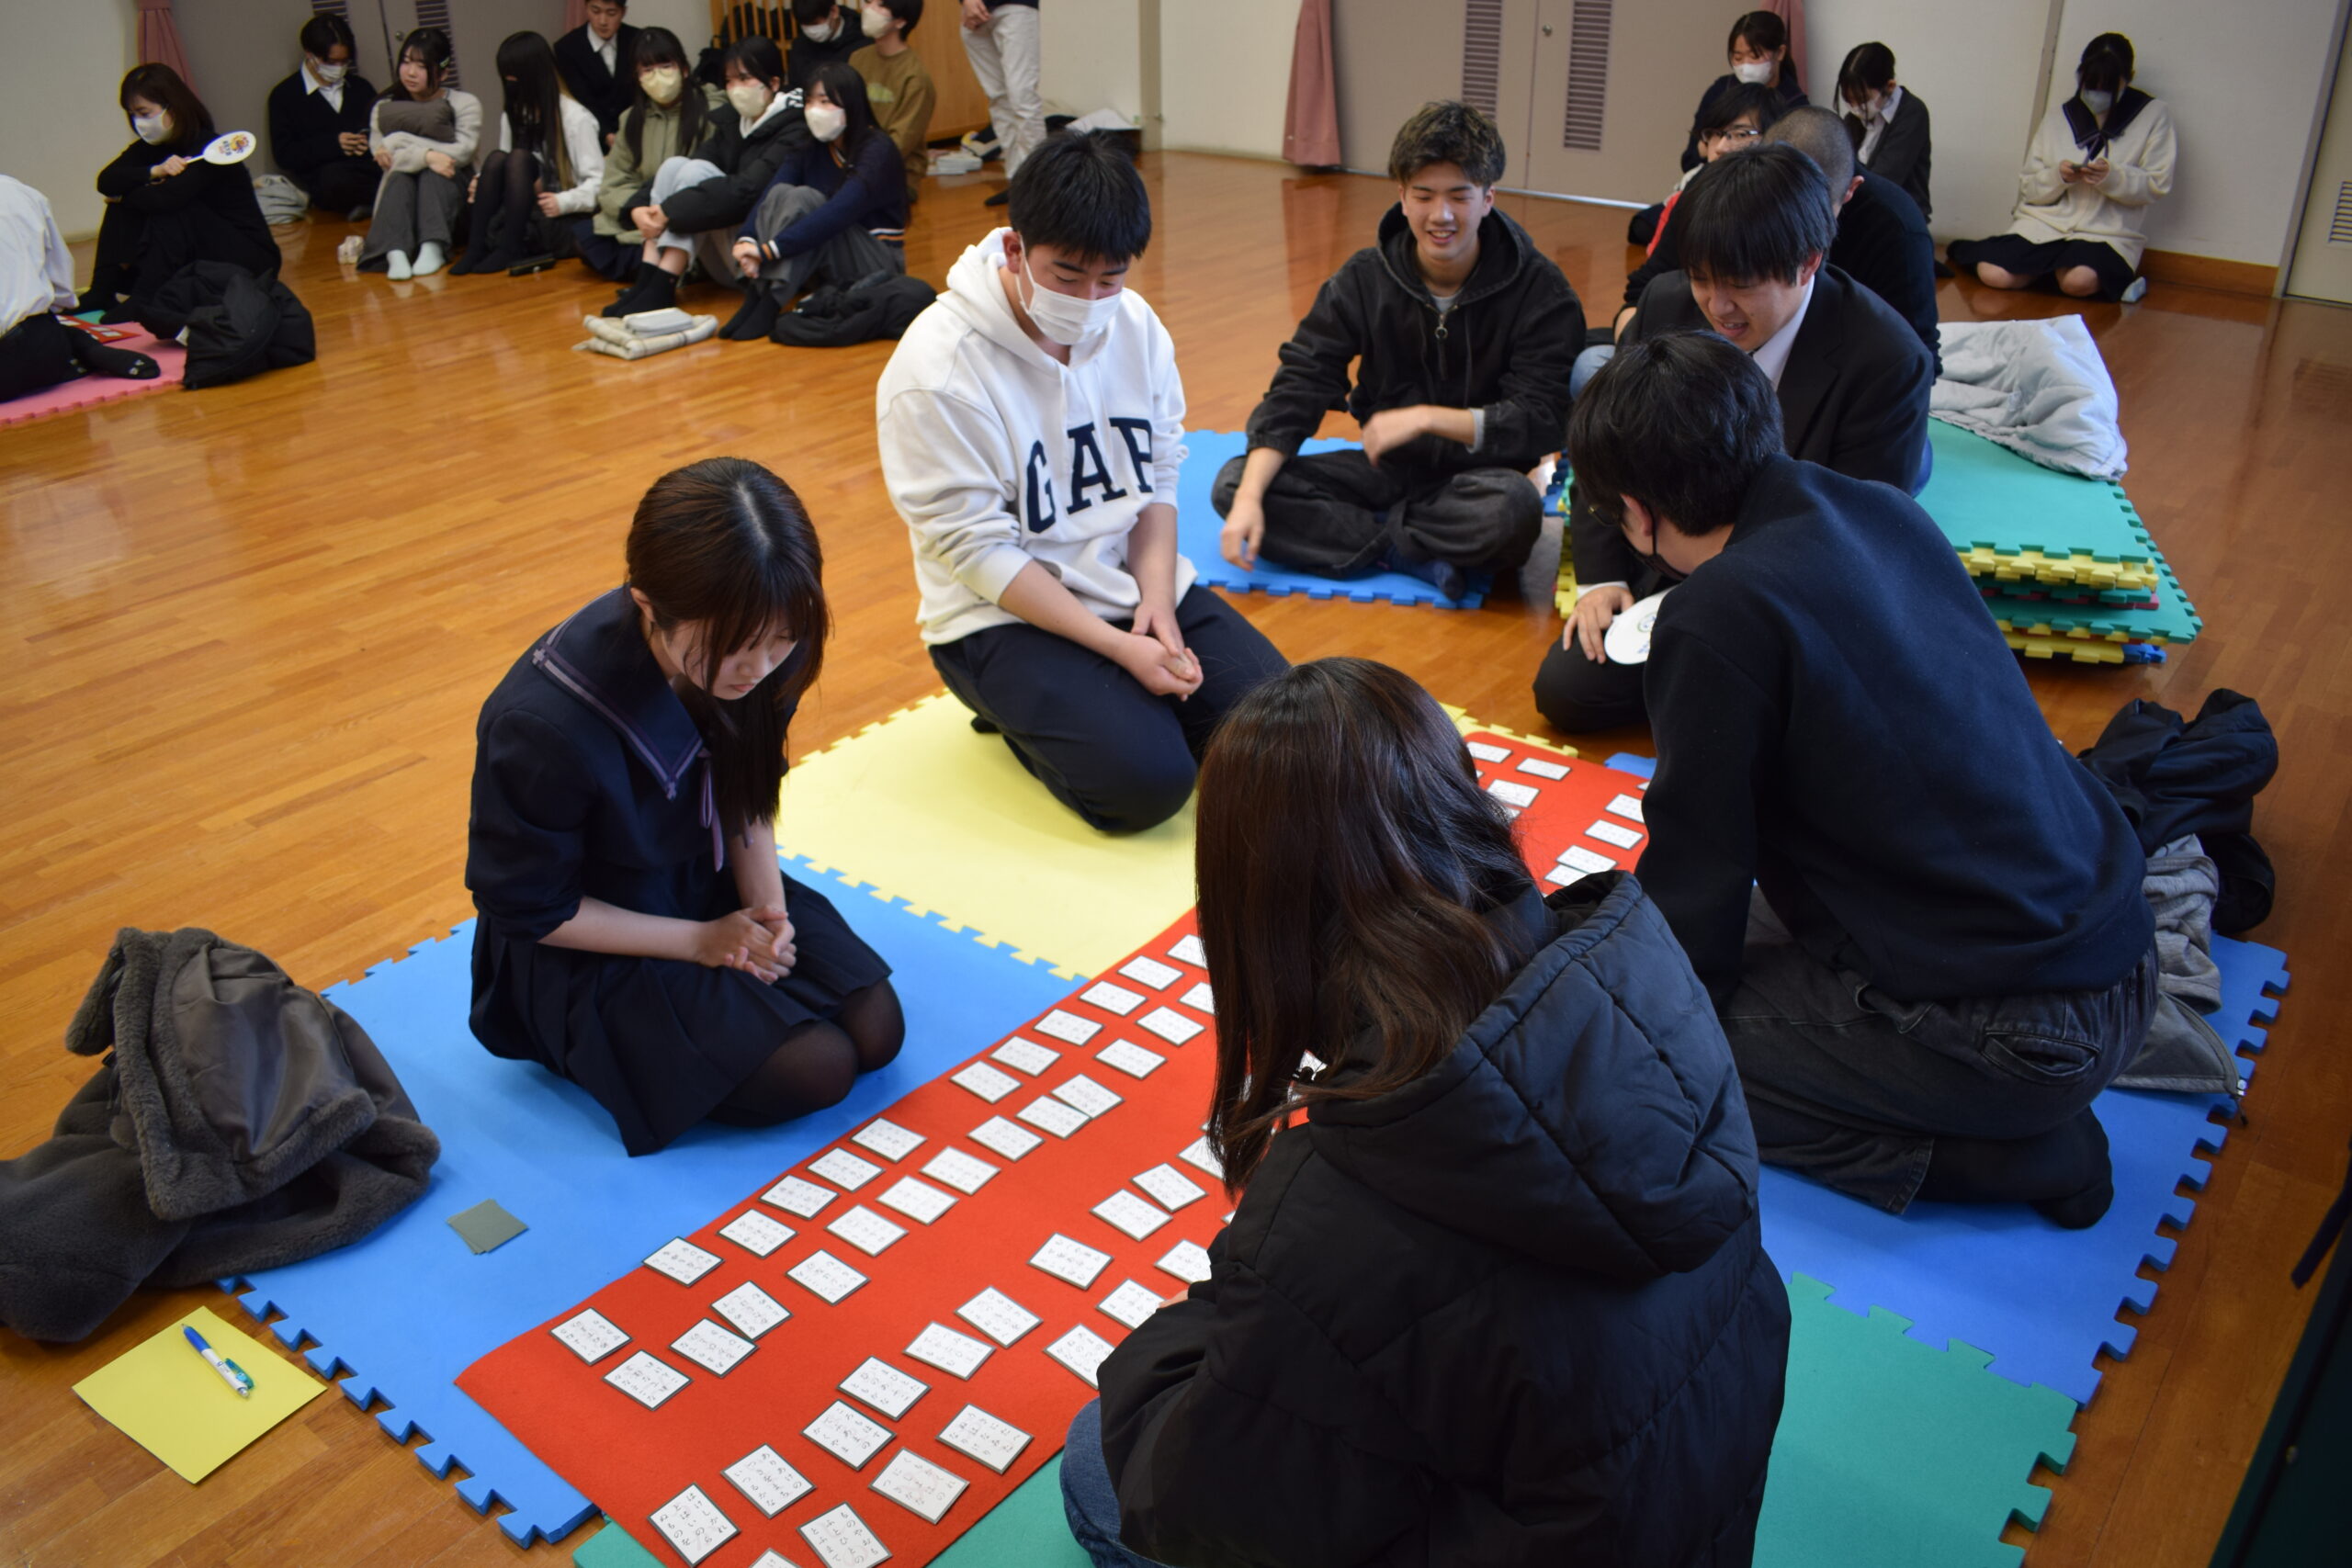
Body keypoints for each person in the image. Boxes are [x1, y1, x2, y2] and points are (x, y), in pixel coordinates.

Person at [1062, 657, 1790, 1567]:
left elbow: (1183, 1498)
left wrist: (1220, 1314)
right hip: (1690, 1522)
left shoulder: (1337, 1203)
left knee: (1100, 1461)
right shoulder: (1636, 975)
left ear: (1261, 910)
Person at [1566, 333, 2155, 1225]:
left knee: (1640, 1051)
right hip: (2118, 949)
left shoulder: (1715, 617)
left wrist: (1643, 1014)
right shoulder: (1879, 510)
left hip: (2022, 1042)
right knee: (1629, 949)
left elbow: (1702, 865)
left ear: (1639, 514)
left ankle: (2007, 1158)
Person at [466, 457, 905, 1158]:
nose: (758, 667)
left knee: (877, 1029)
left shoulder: (774, 639)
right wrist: (704, 942)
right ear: (647, 605)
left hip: (706, 879)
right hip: (591, 933)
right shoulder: (542, 722)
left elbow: (749, 784)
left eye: (778, 642)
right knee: (819, 1067)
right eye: (732, 647)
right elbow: (532, 910)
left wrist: (767, 913)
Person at [876, 130, 1289, 834]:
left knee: (1287, 740)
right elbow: (977, 554)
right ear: (1014, 250)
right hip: (999, 618)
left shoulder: (1136, 326)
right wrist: (1122, 649)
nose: (1091, 300)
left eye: (1111, 278)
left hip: (1126, 584)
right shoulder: (936, 372)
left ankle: (1115, 697)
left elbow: (1160, 473)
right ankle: (1008, 715)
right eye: (1067, 277)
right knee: (1149, 787)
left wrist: (1156, 604)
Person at [1536, 141, 1932, 733]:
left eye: (1741, 286)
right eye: (1701, 278)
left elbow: (1853, 534)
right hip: (1673, 567)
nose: (1717, 307)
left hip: (1796, 590)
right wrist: (1602, 580)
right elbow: (1605, 451)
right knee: (1568, 692)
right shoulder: (1666, 304)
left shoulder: (1886, 358)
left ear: (1807, 263)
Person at [1214, 101, 1583, 602]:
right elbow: (1301, 381)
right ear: (1402, 198)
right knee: (1236, 484)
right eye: (1424, 196)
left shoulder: (1541, 290)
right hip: (1383, 470)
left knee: (1512, 512)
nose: (1441, 215)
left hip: (1477, 481)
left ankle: (1371, 538)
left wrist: (1428, 418)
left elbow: (1542, 417)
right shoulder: (1363, 279)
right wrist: (1252, 498)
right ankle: (1411, 551)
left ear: (1488, 197)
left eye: (1459, 196)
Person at [1572, 79, 1779, 394]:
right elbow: (1640, 290)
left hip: (1747, 372)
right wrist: (1638, 366)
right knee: (1589, 366)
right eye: (1714, 135)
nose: (1722, 147)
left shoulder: (1781, 218)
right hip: (1677, 358)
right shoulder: (1695, 198)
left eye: (1739, 134)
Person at [1950, 33, 2174, 302]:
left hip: (2105, 234)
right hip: (2044, 226)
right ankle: (2048, 271)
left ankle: (2054, 273)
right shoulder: (2059, 117)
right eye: (2090, 85)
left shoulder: (2153, 115)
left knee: (2078, 282)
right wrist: (2058, 177)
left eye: (2107, 88)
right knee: (1993, 274)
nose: (2096, 94)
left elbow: (2156, 184)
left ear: (2130, 77)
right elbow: (2030, 189)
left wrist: (2112, 177)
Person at [602, 35, 808, 318]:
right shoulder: (733, 121)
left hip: (760, 256)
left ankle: (663, 284)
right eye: (730, 81)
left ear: (773, 83)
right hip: (726, 251)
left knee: (696, 173)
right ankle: (648, 280)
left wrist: (669, 212)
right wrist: (638, 208)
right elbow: (697, 160)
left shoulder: (795, 126)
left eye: (745, 79)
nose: (735, 89)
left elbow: (747, 191)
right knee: (677, 165)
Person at [83, 65, 281, 322]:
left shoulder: (209, 147)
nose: (138, 122)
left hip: (247, 256)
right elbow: (106, 181)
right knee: (124, 206)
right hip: (198, 250)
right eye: (132, 115)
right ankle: (101, 291)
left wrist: (126, 196)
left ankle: (144, 298)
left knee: (172, 208)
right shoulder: (150, 148)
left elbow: (167, 199)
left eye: (144, 113)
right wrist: (153, 172)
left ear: (171, 107)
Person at [721, 65, 908, 339]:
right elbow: (771, 193)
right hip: (832, 256)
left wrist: (769, 251)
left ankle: (769, 302)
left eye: (825, 101)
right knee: (784, 192)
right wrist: (747, 239)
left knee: (806, 199)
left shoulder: (877, 149)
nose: (814, 109)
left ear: (851, 105)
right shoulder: (810, 145)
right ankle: (758, 295)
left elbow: (839, 212)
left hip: (876, 261)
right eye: (809, 101)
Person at [574, 28, 720, 283]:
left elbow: (709, 175)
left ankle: (669, 268)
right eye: (648, 70)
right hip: (641, 213)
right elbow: (613, 183)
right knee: (582, 240)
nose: (658, 76)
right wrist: (636, 211)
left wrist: (663, 212)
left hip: (683, 214)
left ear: (684, 68)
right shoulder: (631, 118)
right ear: (638, 77)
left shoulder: (712, 109)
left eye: (665, 66)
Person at [451, 32, 604, 276]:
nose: (511, 84)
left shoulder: (576, 119)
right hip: (521, 210)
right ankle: (476, 248)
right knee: (497, 159)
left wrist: (562, 202)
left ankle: (508, 248)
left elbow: (598, 184)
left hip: (558, 214)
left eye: (516, 77)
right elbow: (506, 167)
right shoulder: (514, 114)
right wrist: (481, 184)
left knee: (519, 159)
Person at [1, 175, 160, 401]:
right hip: (45, 352)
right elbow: (62, 289)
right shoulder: (20, 192)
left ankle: (77, 353)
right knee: (45, 323)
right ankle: (87, 351)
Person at [358, 28, 481, 280]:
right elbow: (383, 157)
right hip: (401, 195)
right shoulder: (385, 108)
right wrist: (427, 156)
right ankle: (395, 252)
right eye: (405, 62)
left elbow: (462, 152)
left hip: (452, 194)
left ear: (443, 72)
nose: (410, 73)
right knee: (402, 175)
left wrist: (399, 141)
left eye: (421, 66)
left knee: (435, 173)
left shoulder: (465, 103)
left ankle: (433, 247)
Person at [266, 13, 381, 219]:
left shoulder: (360, 88)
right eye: (331, 62)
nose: (338, 68)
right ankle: (384, 201)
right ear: (310, 54)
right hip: (327, 178)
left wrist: (367, 142)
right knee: (334, 178)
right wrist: (334, 144)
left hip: (368, 167)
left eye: (344, 62)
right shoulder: (285, 95)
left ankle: (382, 201)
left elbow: (382, 128)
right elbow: (285, 155)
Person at [1679, 11, 1807, 174]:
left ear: (1780, 53)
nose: (1746, 65)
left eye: (1755, 56)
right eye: (1738, 58)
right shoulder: (1720, 90)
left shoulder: (1796, 105)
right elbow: (1690, 158)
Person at [1837, 41, 1931, 221]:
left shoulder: (1912, 114)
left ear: (1890, 86)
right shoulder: (1855, 118)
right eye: (1850, 100)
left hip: (1900, 217)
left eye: (1862, 99)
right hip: (1865, 208)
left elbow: (1885, 180)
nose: (1855, 107)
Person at [961, 0, 1043, 208]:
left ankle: (1039, 185)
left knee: (1022, 98)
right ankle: (1016, 182)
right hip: (973, 13)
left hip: (1015, 7)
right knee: (997, 99)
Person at [852, 0, 936, 199]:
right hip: (855, 163)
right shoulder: (857, 58)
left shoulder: (915, 77)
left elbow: (899, 143)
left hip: (896, 174)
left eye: (880, 5)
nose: (869, 9)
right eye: (869, 2)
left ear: (900, 21)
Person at [554, 0, 641, 147]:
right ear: (586, 8)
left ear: (623, 12)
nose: (602, 21)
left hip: (635, 134)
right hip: (589, 137)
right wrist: (607, 134)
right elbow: (582, 99)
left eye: (611, 13)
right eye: (595, 11)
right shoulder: (567, 48)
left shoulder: (638, 40)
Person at [790, 0, 867, 90]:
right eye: (805, 25)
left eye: (815, 23)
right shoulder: (799, 45)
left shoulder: (862, 42)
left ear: (834, 11)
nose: (810, 30)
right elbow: (793, 86)